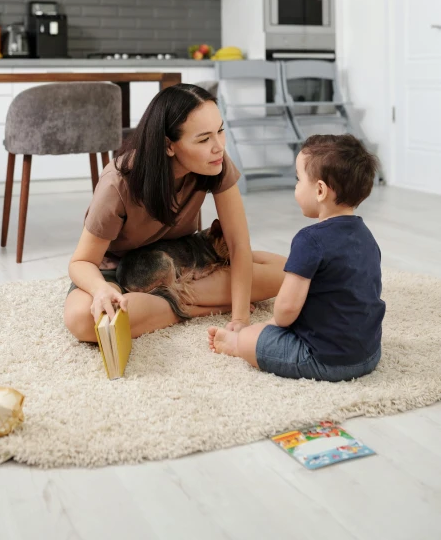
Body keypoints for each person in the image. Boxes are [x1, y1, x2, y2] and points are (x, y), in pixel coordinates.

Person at [64, 83, 286, 341]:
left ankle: (162, 304)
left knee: (290, 274)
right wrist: (101, 290)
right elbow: (81, 262)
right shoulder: (118, 182)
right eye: (204, 139)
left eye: (220, 131)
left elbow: (238, 244)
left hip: (186, 263)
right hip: (117, 270)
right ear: (168, 145)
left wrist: (239, 319)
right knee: (82, 321)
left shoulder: (215, 162)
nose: (218, 146)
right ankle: (194, 307)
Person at [208, 134, 385, 382]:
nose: (296, 186)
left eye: (298, 179)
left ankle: (235, 345)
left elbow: (286, 310)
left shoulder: (309, 240)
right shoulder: (366, 236)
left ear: (320, 190)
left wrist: (268, 326)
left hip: (322, 358)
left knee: (251, 337)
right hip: (368, 354)